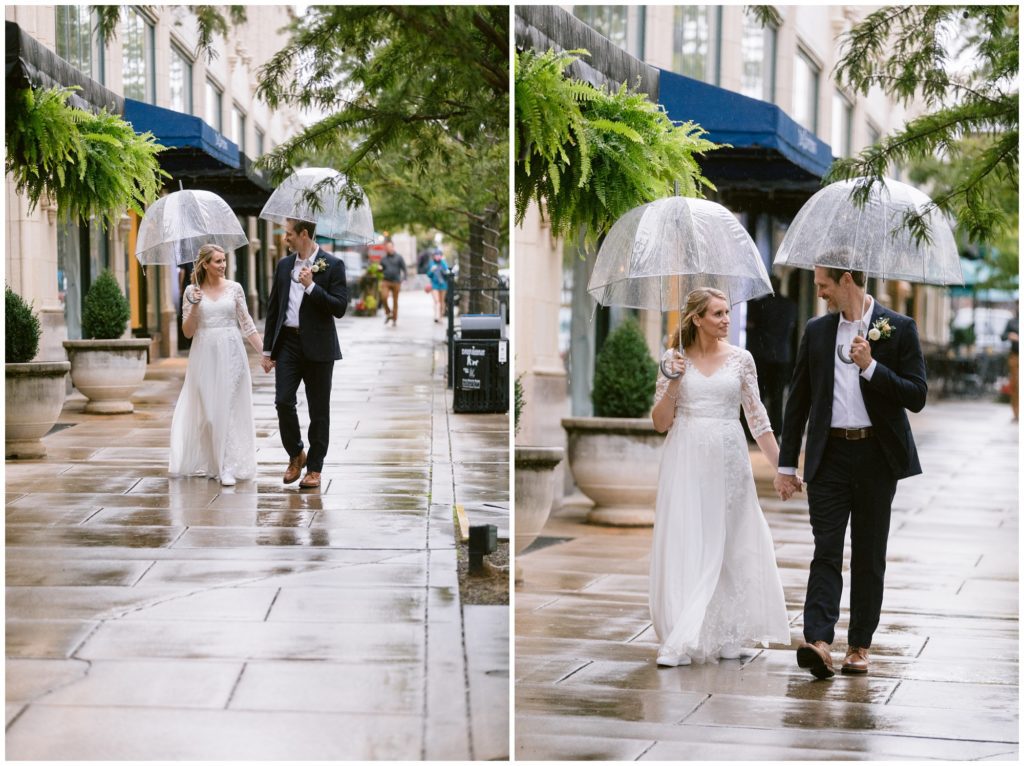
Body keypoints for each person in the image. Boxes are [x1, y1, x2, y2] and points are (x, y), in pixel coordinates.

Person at [775, 264, 927, 679]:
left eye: (823, 284)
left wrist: (871, 367)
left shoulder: (898, 327)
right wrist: (787, 465)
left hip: (877, 457)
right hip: (829, 456)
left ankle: (859, 645)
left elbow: (917, 396)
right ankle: (819, 641)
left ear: (846, 280)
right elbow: (798, 400)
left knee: (868, 553)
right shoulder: (818, 331)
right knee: (825, 549)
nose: (819, 291)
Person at [649, 287, 791, 667]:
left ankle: (727, 632)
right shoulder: (673, 359)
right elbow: (661, 423)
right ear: (697, 319)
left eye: (727, 312)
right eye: (717, 313)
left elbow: (758, 420)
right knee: (688, 539)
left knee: (731, 540)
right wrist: (673, 379)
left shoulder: (742, 360)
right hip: (686, 456)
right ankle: (681, 635)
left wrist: (783, 468)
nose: (726, 319)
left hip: (729, 456)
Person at [262, 218, 349, 489]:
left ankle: (315, 468)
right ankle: (296, 452)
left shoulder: (333, 265)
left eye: (289, 233)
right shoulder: (284, 265)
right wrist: (267, 350)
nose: (285, 238)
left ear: (303, 234)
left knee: (318, 410)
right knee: (283, 401)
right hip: (288, 343)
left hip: (319, 346)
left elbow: (340, 307)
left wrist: (312, 287)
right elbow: (274, 309)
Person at [168, 245, 263, 486]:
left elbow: (248, 324)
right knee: (209, 413)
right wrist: (195, 305)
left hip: (231, 352)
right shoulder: (192, 291)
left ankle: (227, 466)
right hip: (204, 353)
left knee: (229, 410)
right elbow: (187, 333)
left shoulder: (235, 288)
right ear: (205, 265)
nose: (223, 265)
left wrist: (265, 353)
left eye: (224, 260)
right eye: (218, 261)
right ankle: (213, 463)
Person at [745, 275, 798, 437]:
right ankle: (776, 430)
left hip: (761, 356)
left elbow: (751, 328)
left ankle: (754, 431)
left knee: (757, 396)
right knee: (777, 396)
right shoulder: (790, 305)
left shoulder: (758, 305)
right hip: (781, 356)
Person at [379, 239, 407, 326]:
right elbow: (381, 269)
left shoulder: (399, 257)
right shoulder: (383, 259)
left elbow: (404, 269)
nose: (388, 248)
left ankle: (394, 319)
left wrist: (404, 278)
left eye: (390, 246)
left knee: (395, 301)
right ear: (385, 248)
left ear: (393, 247)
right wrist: (379, 269)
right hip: (386, 281)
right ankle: (388, 313)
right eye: (387, 247)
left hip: (396, 282)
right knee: (383, 297)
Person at [1002, 313, 1018, 421]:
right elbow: (1002, 336)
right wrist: (1009, 335)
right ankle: (1016, 413)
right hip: (1015, 356)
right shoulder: (1012, 322)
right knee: (1016, 384)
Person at [427, 249, 451, 324]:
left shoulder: (443, 263)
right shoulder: (432, 263)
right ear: (433, 256)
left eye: (438, 255)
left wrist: (446, 271)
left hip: (443, 285)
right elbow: (429, 275)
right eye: (436, 255)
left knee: (442, 301)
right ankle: (436, 316)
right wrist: (431, 270)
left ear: (441, 256)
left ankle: (441, 316)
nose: (437, 256)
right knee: (437, 301)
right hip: (434, 285)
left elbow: (447, 273)